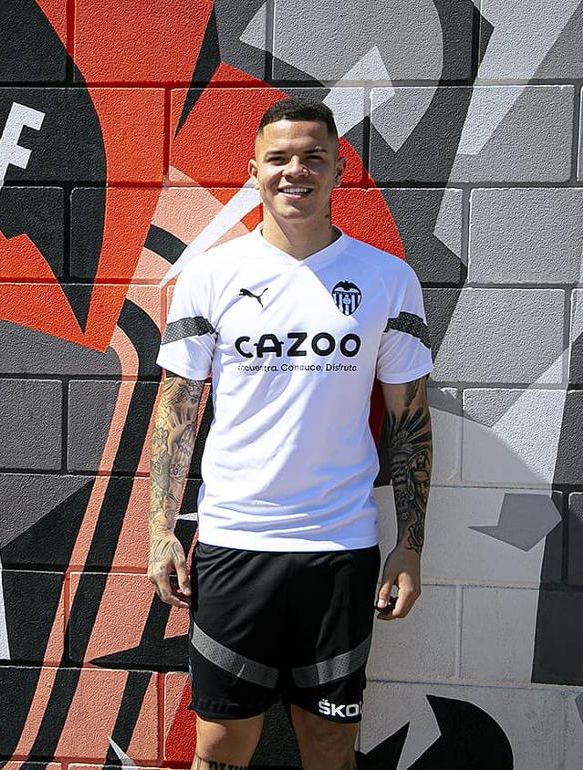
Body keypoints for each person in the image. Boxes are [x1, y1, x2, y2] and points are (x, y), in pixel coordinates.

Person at [147, 97, 434, 770]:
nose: (294, 171)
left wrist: (411, 547)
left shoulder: (387, 281)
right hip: (232, 546)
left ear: (338, 170)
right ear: (254, 172)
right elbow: (176, 411)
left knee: (331, 746)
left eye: (311, 157)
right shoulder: (212, 276)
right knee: (219, 746)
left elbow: (410, 425)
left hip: (340, 549)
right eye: (278, 158)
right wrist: (161, 529)